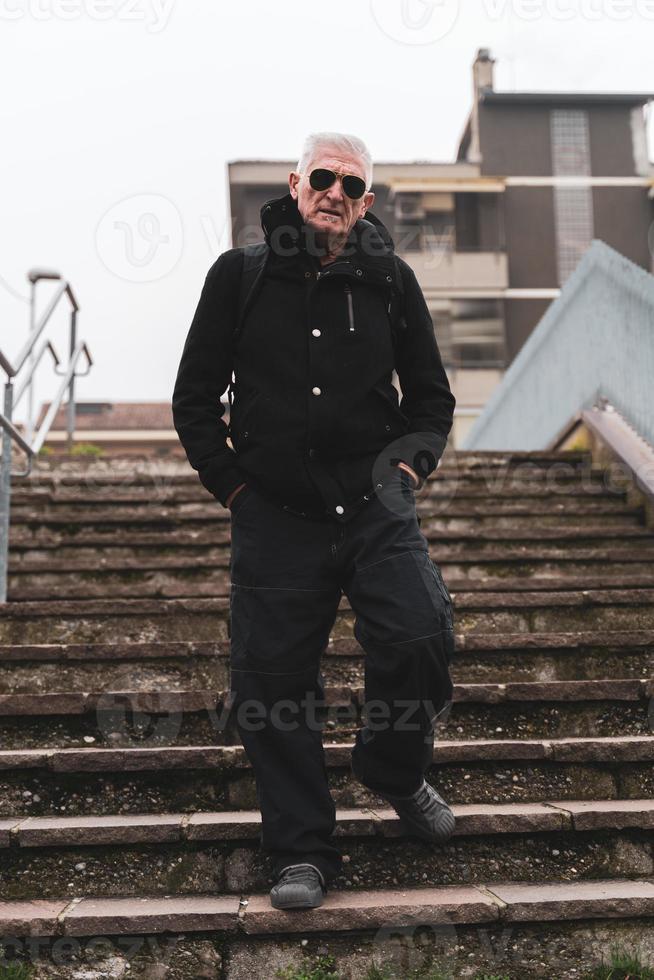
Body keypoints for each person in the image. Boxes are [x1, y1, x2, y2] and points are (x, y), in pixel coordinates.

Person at [172, 131, 457, 910]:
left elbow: (432, 402)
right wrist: (235, 490)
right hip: (276, 515)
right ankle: (302, 850)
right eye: (322, 177)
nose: (334, 191)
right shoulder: (239, 277)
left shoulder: (392, 281)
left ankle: (395, 770)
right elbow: (194, 400)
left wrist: (405, 469)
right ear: (297, 185)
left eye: (351, 183)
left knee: (421, 634)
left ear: (367, 201)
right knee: (270, 686)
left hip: (374, 506)